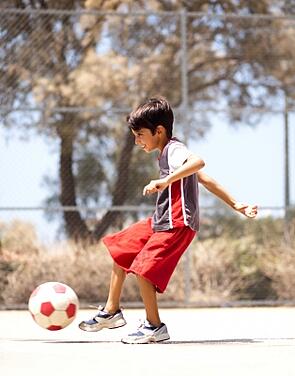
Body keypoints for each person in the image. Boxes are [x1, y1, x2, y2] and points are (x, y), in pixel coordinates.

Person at [79, 97, 257, 344]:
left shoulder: (174, 149)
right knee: (121, 248)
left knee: (143, 268)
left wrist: (165, 180)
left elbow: (199, 162)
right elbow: (203, 178)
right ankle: (111, 312)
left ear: (159, 131)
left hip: (177, 223)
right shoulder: (166, 153)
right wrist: (236, 204)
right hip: (161, 220)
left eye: (140, 134)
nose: (136, 140)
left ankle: (154, 326)